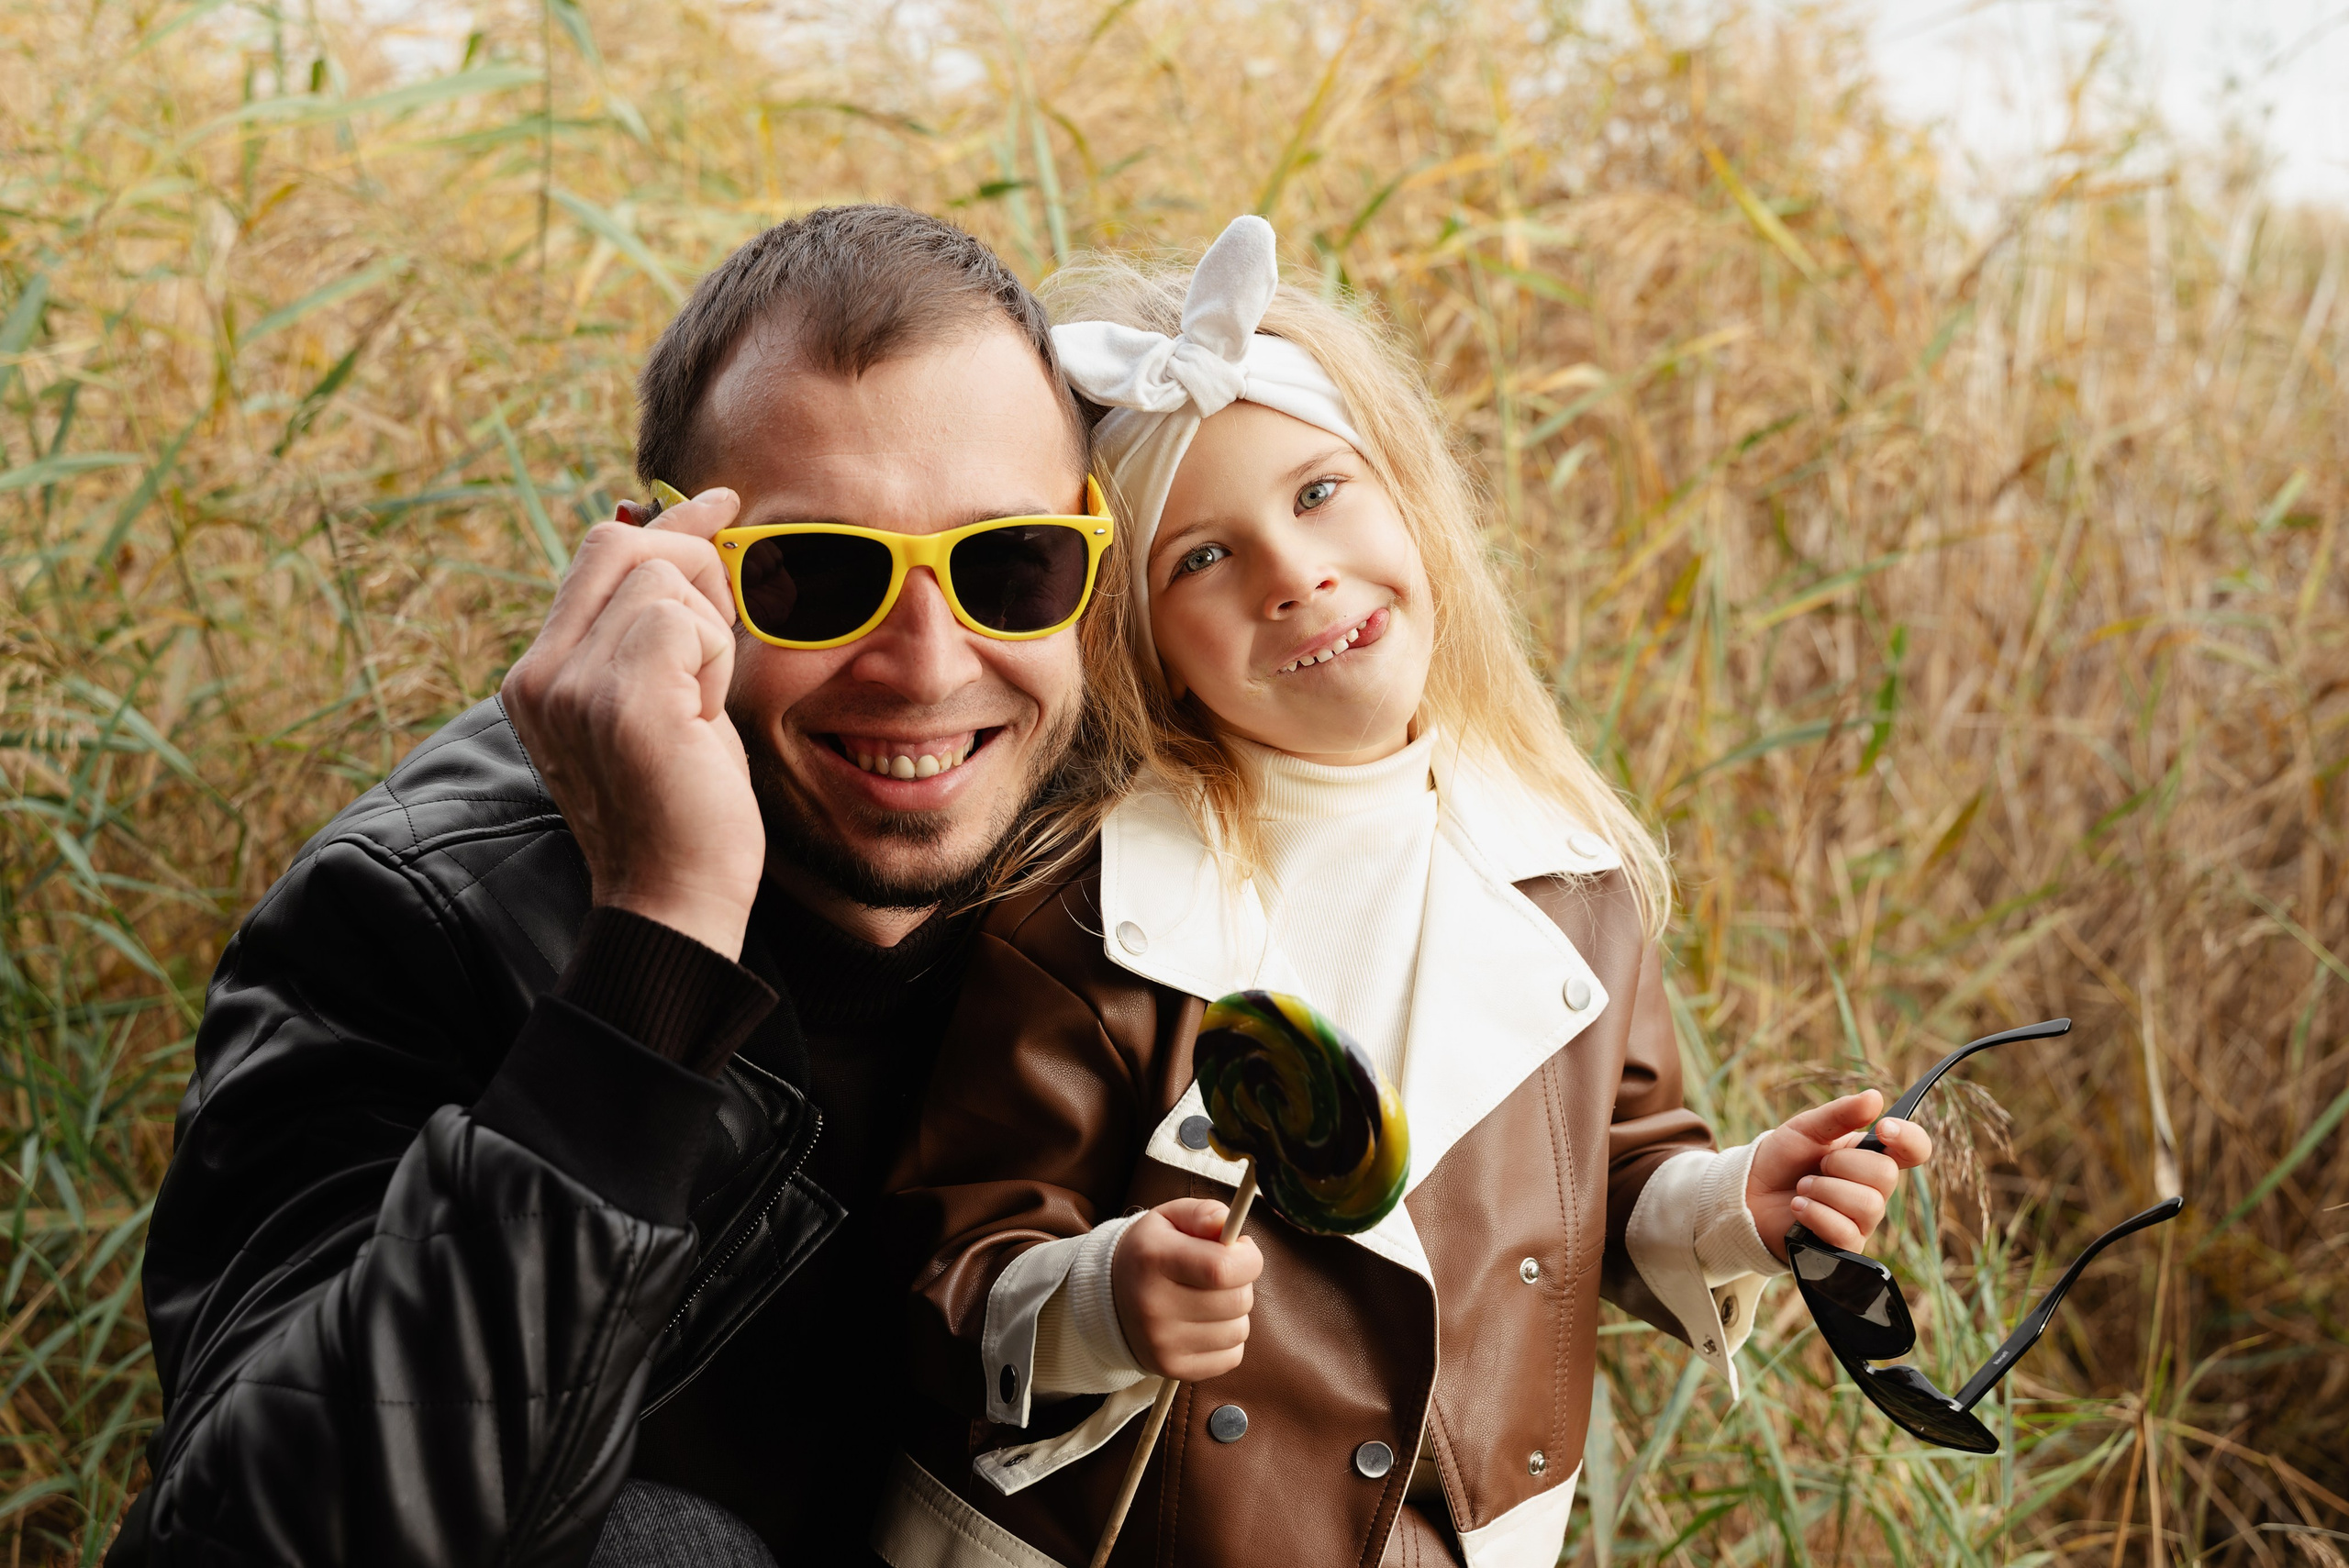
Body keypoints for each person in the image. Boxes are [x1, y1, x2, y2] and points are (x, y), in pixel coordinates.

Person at [873, 217, 1933, 1568]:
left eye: (1320, 493)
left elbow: (1607, 1168)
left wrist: (1740, 1201)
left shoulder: (1566, 872)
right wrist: (1107, 1298)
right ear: (1141, 640)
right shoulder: (1088, 911)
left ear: (1409, 494)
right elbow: (949, 1269)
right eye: (1202, 557)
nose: (1295, 576)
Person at [113, 206, 1132, 1568]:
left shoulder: (1166, 857)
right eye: (818, 575)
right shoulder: (413, 915)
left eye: (1011, 565)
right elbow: (267, 1540)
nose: (928, 663)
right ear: (657, 575)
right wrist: (656, 940)